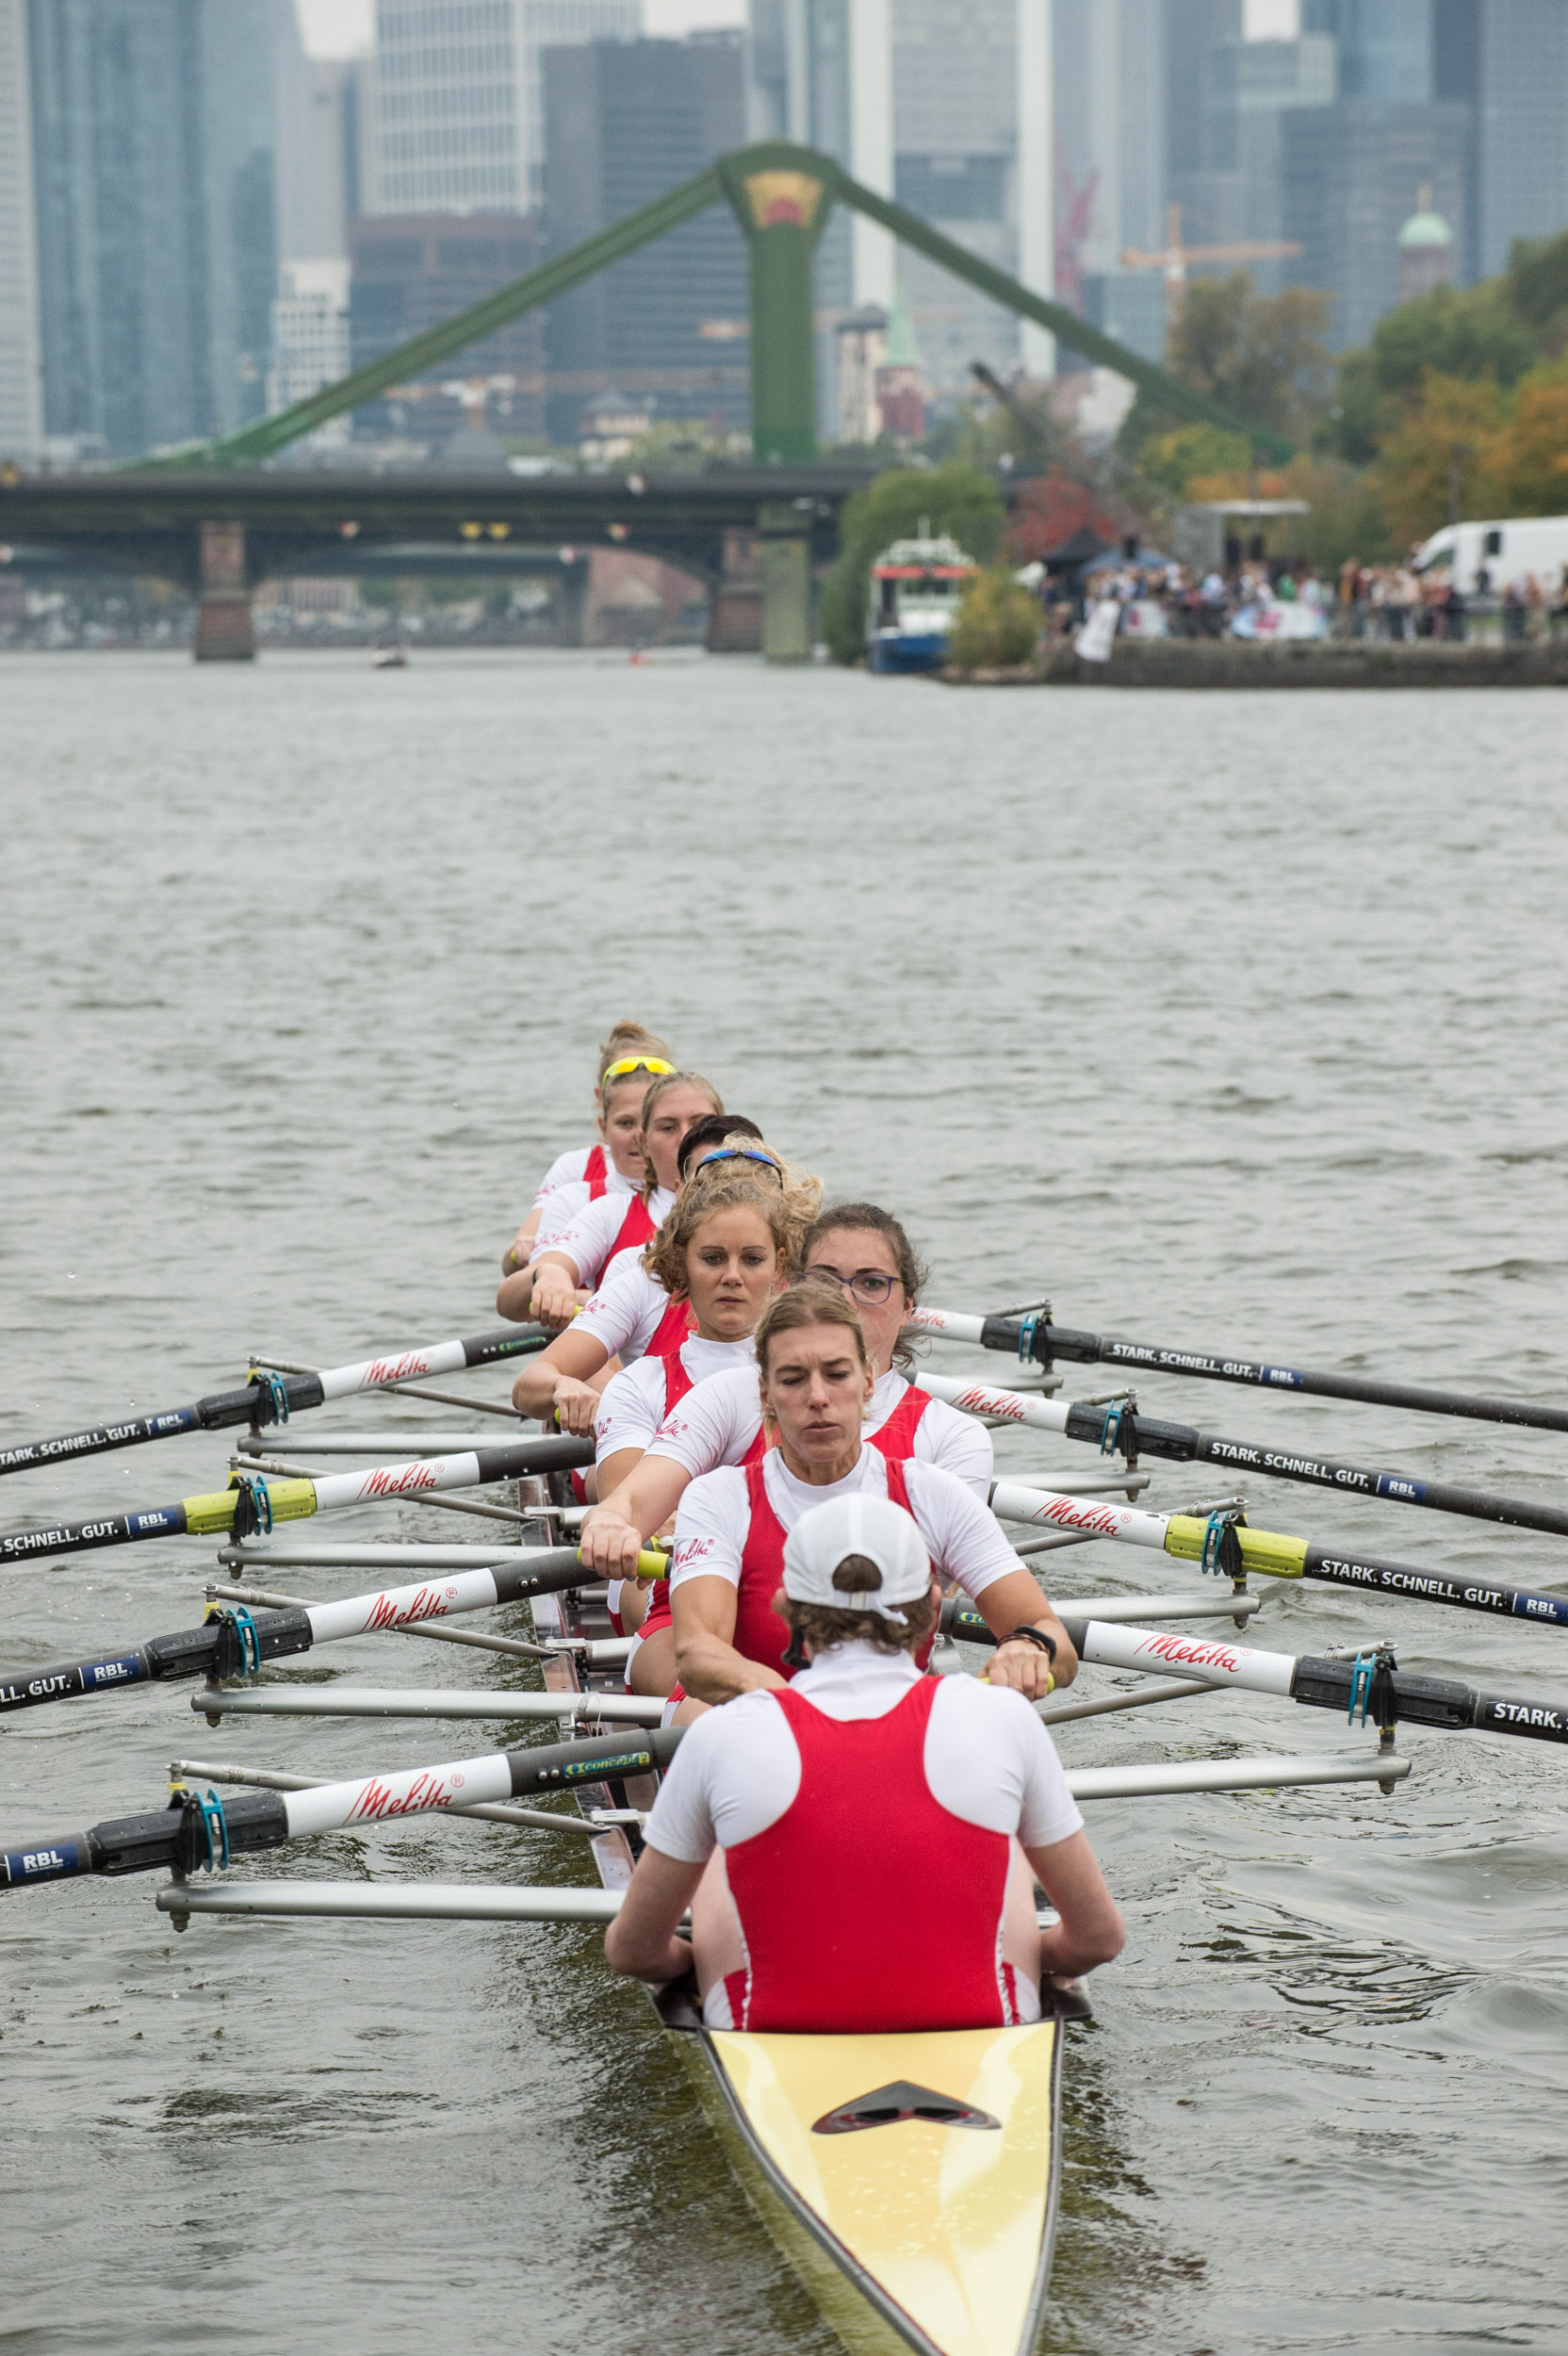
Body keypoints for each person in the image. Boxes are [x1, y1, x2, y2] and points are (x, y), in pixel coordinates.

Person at [603, 1493, 1123, 2031]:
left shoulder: (722, 1732)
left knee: (721, 1853)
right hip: (976, 2018)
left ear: (784, 1607)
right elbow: (1098, 1938)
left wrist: (690, 1965)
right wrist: (1040, 1956)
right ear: (932, 1602)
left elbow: (634, 1952)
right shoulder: (1002, 1717)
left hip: (775, 2026)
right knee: (1006, 1848)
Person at [582, 1203, 995, 1696]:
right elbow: (629, 1501)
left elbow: (925, 1594)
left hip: (874, 1645)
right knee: (710, 1708)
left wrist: (1029, 1646)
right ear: (795, 1287)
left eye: (871, 1283)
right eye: (826, 1278)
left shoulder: (952, 1437)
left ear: (908, 1306)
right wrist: (609, 1521)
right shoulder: (734, 1394)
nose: (847, 1297)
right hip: (708, 1637)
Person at [657, 1285, 1078, 1717]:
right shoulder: (720, 1498)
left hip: (889, 1726)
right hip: (764, 1726)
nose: (817, 1396)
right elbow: (697, 1655)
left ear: (868, 1383)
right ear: (765, 1394)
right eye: (793, 1378)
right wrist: (802, 1709)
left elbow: (1056, 1643)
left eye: (837, 1374)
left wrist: (1028, 1647)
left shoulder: (930, 1494)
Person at [590, 1140, 822, 1634]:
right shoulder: (639, 1385)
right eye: (713, 1258)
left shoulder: (819, 1379)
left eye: (752, 1260)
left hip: (794, 1586)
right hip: (665, 1586)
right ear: (682, 1266)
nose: (732, 1277)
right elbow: (628, 1513)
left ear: (779, 1267)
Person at [499, 1068, 723, 1330]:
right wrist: (547, 1274)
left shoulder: (759, 1209)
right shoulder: (609, 1213)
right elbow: (508, 1299)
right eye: (668, 1127)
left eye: (700, 1123)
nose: (685, 1136)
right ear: (644, 1143)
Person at [500, 1023, 674, 1285]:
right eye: (626, 1123)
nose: (639, 1136)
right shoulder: (576, 1172)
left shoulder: (696, 1181)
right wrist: (525, 1257)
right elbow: (517, 1261)